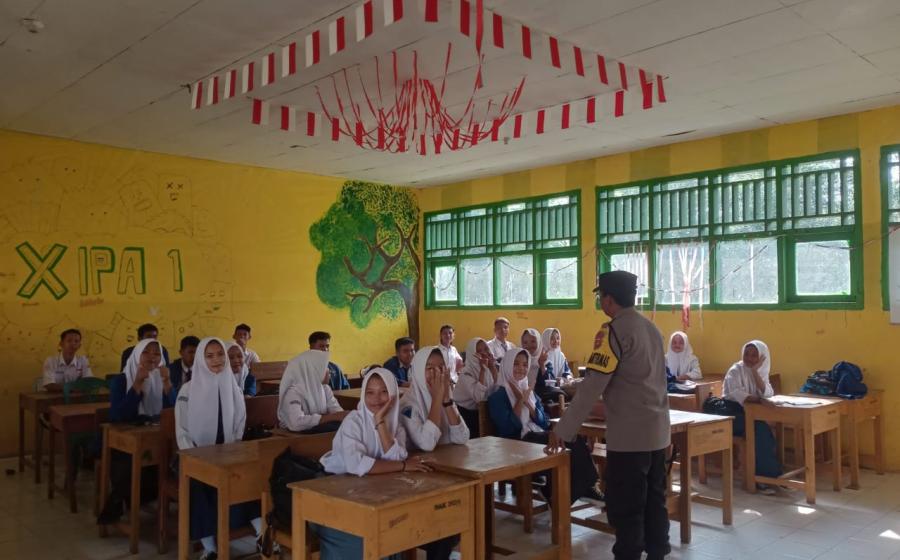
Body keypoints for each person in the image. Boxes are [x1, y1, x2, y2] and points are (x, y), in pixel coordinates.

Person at [549, 271, 671, 560]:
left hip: (629, 438)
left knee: (626, 507)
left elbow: (592, 386)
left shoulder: (612, 332)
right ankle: (657, 553)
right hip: (658, 434)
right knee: (655, 501)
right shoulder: (652, 329)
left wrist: (563, 429)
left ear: (608, 299)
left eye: (600, 296)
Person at [315, 368, 432, 560]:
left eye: (384, 392)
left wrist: (380, 422)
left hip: (368, 492)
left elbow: (396, 457)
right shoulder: (354, 421)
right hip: (334, 493)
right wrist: (403, 466)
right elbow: (357, 465)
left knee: (394, 525)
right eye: (370, 392)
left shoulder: (395, 424)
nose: (376, 399)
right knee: (365, 536)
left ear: (393, 394)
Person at [175, 337, 261, 560]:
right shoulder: (188, 390)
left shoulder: (232, 386)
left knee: (245, 476)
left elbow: (240, 420)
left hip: (227, 453)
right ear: (201, 359)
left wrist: (232, 448)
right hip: (196, 456)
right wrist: (196, 457)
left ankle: (262, 533)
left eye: (220, 354)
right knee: (199, 483)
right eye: (210, 356)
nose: (217, 360)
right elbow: (182, 431)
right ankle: (209, 547)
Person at [487, 349, 598, 503]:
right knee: (565, 444)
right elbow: (508, 429)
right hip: (515, 443)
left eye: (525, 365)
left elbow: (545, 421)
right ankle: (564, 494)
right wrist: (520, 400)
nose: (521, 368)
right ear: (506, 366)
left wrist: (529, 404)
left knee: (571, 438)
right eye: (516, 364)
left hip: (535, 435)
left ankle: (570, 490)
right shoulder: (498, 396)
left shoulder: (529, 391)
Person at [99, 338, 176, 525]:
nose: (152, 357)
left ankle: (142, 499)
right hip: (124, 438)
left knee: (169, 457)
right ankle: (119, 501)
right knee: (130, 463)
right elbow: (118, 416)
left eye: (157, 353)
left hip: (153, 436)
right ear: (136, 356)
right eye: (146, 352)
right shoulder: (121, 381)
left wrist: (167, 383)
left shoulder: (162, 378)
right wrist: (137, 383)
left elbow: (175, 412)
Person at [722, 340, 781, 493]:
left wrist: (755, 372)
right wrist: (759, 400)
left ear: (762, 358)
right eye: (746, 354)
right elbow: (738, 394)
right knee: (760, 430)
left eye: (754, 355)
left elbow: (768, 393)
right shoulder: (735, 370)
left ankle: (771, 475)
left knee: (763, 430)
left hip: (747, 414)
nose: (749, 358)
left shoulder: (760, 372)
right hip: (729, 414)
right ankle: (762, 479)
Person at [400, 346, 469, 452]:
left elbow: (462, 437)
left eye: (441, 367)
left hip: (448, 458)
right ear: (418, 371)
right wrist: (437, 399)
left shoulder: (446, 397)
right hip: (423, 461)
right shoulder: (407, 405)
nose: (437, 373)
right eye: (430, 368)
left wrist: (447, 400)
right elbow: (427, 444)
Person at [278, 349, 349, 433]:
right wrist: (331, 417)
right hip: (293, 436)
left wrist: (342, 415)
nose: (328, 371)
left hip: (316, 433)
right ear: (313, 371)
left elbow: (338, 413)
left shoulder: (325, 389)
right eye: (324, 367)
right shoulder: (292, 392)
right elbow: (296, 423)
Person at [451, 337, 499, 437]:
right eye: (479, 351)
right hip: (465, 413)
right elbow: (479, 398)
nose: (484, 353)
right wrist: (482, 370)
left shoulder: (489, 367)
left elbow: (497, 390)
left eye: (486, 349)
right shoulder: (466, 374)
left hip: (483, 410)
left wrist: (492, 367)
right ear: (471, 354)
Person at [533, 328, 569, 405]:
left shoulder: (561, 355)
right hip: (545, 389)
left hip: (560, 387)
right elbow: (543, 378)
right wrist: (555, 380)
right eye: (552, 338)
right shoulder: (541, 355)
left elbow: (567, 372)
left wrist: (564, 379)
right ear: (545, 339)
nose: (556, 341)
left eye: (558, 338)